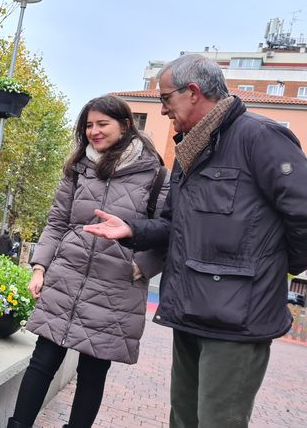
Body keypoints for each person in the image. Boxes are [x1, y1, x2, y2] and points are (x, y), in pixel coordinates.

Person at [83, 54, 307, 428]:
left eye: (166, 98)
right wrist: (133, 230)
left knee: (219, 422)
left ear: (192, 92)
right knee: (183, 420)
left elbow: (303, 212)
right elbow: (174, 226)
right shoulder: (192, 148)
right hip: (191, 310)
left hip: (238, 319)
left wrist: (276, 268)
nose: (164, 109)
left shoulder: (259, 137)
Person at [8, 95, 169, 428]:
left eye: (102, 124)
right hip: (67, 276)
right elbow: (57, 222)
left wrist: (140, 267)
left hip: (116, 287)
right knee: (42, 360)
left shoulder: (155, 175)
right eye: (88, 126)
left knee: (93, 373)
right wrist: (40, 267)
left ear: (125, 125)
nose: (94, 132)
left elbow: (167, 233)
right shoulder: (78, 168)